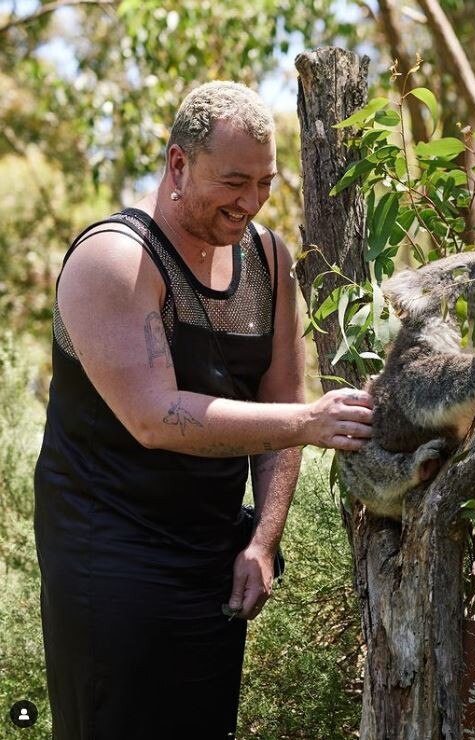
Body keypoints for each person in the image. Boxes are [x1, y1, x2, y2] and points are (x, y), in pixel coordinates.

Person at [34, 81, 374, 740]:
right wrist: (309, 421)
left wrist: (261, 539)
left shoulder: (267, 259)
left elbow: (276, 399)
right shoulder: (114, 258)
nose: (249, 202)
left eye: (266, 184)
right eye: (233, 181)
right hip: (108, 557)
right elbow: (154, 417)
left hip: (209, 557)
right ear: (178, 165)